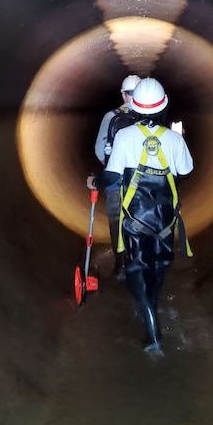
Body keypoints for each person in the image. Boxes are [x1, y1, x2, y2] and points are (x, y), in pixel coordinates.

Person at [87, 78, 194, 355]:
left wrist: (95, 182)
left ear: (133, 105)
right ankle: (152, 306)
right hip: (165, 219)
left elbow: (111, 177)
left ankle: (152, 330)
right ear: (162, 108)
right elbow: (184, 171)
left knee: (136, 268)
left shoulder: (124, 136)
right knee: (158, 266)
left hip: (135, 218)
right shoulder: (174, 139)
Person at [94, 74, 142, 276]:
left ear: (123, 95)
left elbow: (99, 150)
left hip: (116, 182)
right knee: (140, 219)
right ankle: (141, 261)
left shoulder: (111, 117)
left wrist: (111, 168)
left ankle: (121, 264)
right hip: (142, 181)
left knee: (117, 222)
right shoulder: (151, 117)